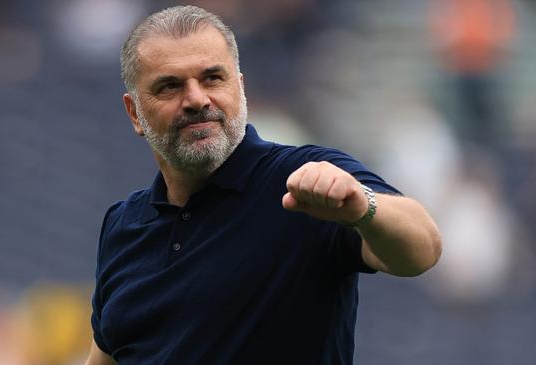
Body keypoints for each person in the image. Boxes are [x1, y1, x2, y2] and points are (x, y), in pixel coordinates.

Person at [85, 5, 441, 365]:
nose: (195, 99)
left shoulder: (302, 181)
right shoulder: (123, 225)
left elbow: (423, 248)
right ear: (135, 114)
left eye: (212, 78)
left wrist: (363, 207)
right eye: (169, 86)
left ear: (240, 88)